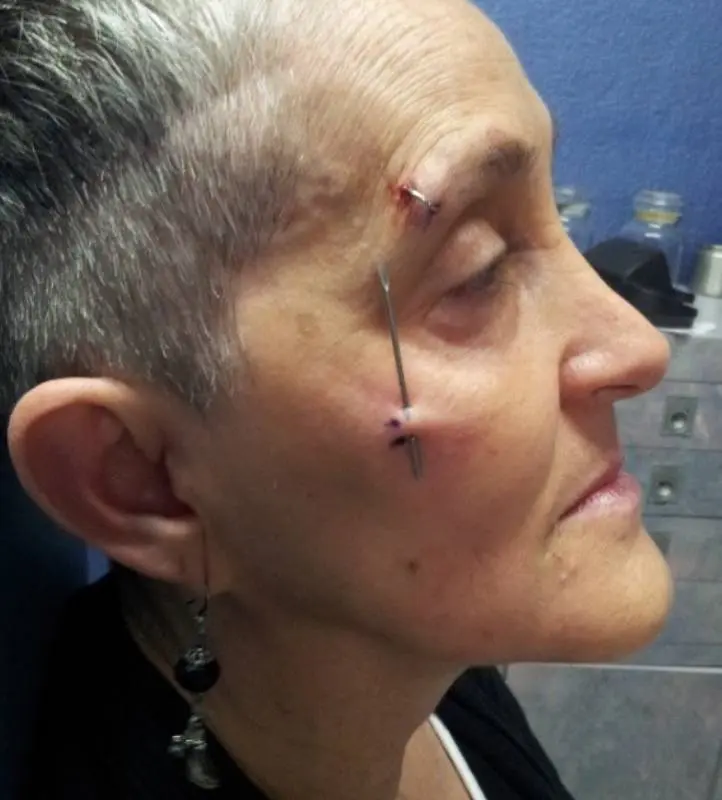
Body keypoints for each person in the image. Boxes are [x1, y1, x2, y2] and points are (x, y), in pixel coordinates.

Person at [1, 0, 673, 798]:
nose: (639, 347)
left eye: (553, 212)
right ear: (145, 481)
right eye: (477, 269)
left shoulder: (424, 655)